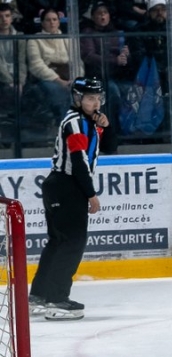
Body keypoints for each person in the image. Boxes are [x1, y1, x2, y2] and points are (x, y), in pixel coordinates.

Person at [29, 78, 113, 321]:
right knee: (72, 243)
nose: (95, 102)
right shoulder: (74, 122)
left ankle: (40, 295)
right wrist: (91, 194)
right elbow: (78, 162)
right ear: (78, 99)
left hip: (61, 187)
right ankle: (56, 298)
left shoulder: (89, 122)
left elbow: (109, 147)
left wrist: (105, 127)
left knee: (58, 242)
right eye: (89, 98)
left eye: (98, 98)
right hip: (67, 186)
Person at [80, 0, 133, 150]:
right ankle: (110, 134)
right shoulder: (88, 33)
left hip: (117, 76)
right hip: (97, 77)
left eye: (105, 13)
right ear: (93, 17)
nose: (102, 17)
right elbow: (89, 56)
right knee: (113, 93)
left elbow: (127, 58)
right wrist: (114, 60)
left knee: (132, 93)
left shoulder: (117, 33)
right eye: (99, 14)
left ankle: (128, 133)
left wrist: (126, 57)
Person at [26, 7, 84, 125]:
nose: (52, 22)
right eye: (48, 20)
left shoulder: (68, 39)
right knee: (58, 91)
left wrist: (76, 79)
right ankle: (65, 128)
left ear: (59, 21)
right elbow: (37, 65)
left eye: (54, 19)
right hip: (48, 78)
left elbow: (77, 61)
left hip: (69, 76)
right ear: (42, 23)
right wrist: (59, 81)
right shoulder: (34, 40)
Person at [0, 2, 26, 103]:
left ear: (11, 18)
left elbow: (22, 61)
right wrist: (10, 81)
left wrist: (20, 82)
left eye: (7, 16)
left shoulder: (19, 36)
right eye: (0, 16)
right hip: (3, 78)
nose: (4, 19)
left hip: (17, 77)